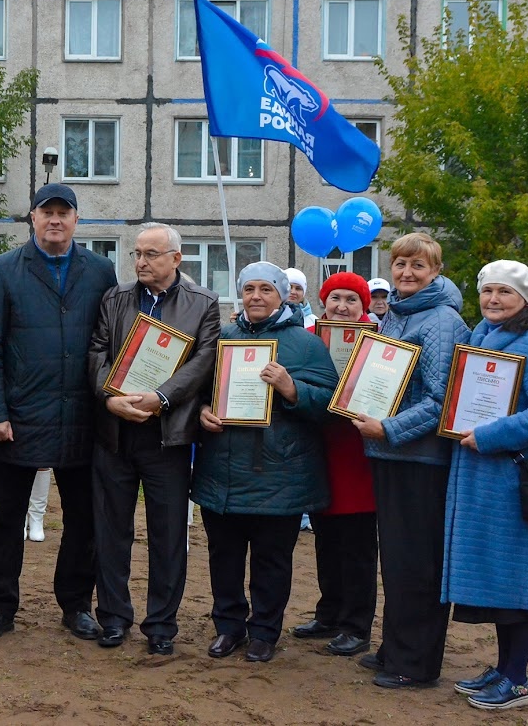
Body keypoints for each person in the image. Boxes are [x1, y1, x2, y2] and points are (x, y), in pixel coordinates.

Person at [0, 183, 118, 641]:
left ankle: (76, 604)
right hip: (18, 415)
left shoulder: (101, 271)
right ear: (31, 218)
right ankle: (0, 607)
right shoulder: (1, 270)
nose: (55, 220)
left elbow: (112, 342)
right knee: (6, 519)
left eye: (64, 212)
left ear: (77, 220)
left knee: (83, 519)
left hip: (82, 415)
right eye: (46, 212)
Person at [442, 261, 528, 711]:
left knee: (520, 583)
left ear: (525, 300)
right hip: (486, 482)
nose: (494, 299)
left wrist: (490, 435)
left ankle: (517, 679)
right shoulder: (482, 338)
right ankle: (503, 668)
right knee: (500, 582)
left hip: (519, 484)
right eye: (488, 290)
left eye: (505, 293)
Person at [192, 262, 337, 663]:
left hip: (280, 472)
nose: (256, 296)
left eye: (266, 289)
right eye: (249, 288)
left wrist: (292, 388)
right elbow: (199, 389)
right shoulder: (224, 337)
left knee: (272, 561)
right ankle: (228, 627)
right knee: (223, 556)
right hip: (222, 470)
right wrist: (203, 411)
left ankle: (264, 632)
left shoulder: (305, 344)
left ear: (282, 294)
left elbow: (329, 404)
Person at [87, 222, 220, 655]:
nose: (141, 262)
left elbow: (203, 361)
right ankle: (113, 617)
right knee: (111, 532)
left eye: (151, 254)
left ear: (176, 259)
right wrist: (111, 398)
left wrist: (161, 397)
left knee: (167, 535)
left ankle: (161, 624)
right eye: (137, 254)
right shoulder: (116, 298)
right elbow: (98, 352)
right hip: (116, 433)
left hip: (169, 436)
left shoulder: (204, 304)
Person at [351, 232, 470, 688]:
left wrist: (391, 429)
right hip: (390, 453)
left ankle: (415, 664)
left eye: (418, 266)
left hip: (419, 458)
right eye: (400, 264)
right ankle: (395, 648)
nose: (406, 273)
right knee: (397, 560)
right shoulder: (396, 315)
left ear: (435, 271)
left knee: (416, 562)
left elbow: (443, 399)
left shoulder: (441, 320)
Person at [292, 272, 378, 657]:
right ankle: (328, 613)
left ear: (365, 306)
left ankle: (356, 625)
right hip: (320, 450)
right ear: (323, 301)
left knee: (357, 545)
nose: (342, 306)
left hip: (359, 453)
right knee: (326, 541)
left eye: (351, 300)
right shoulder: (311, 338)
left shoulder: (378, 342)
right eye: (335, 298)